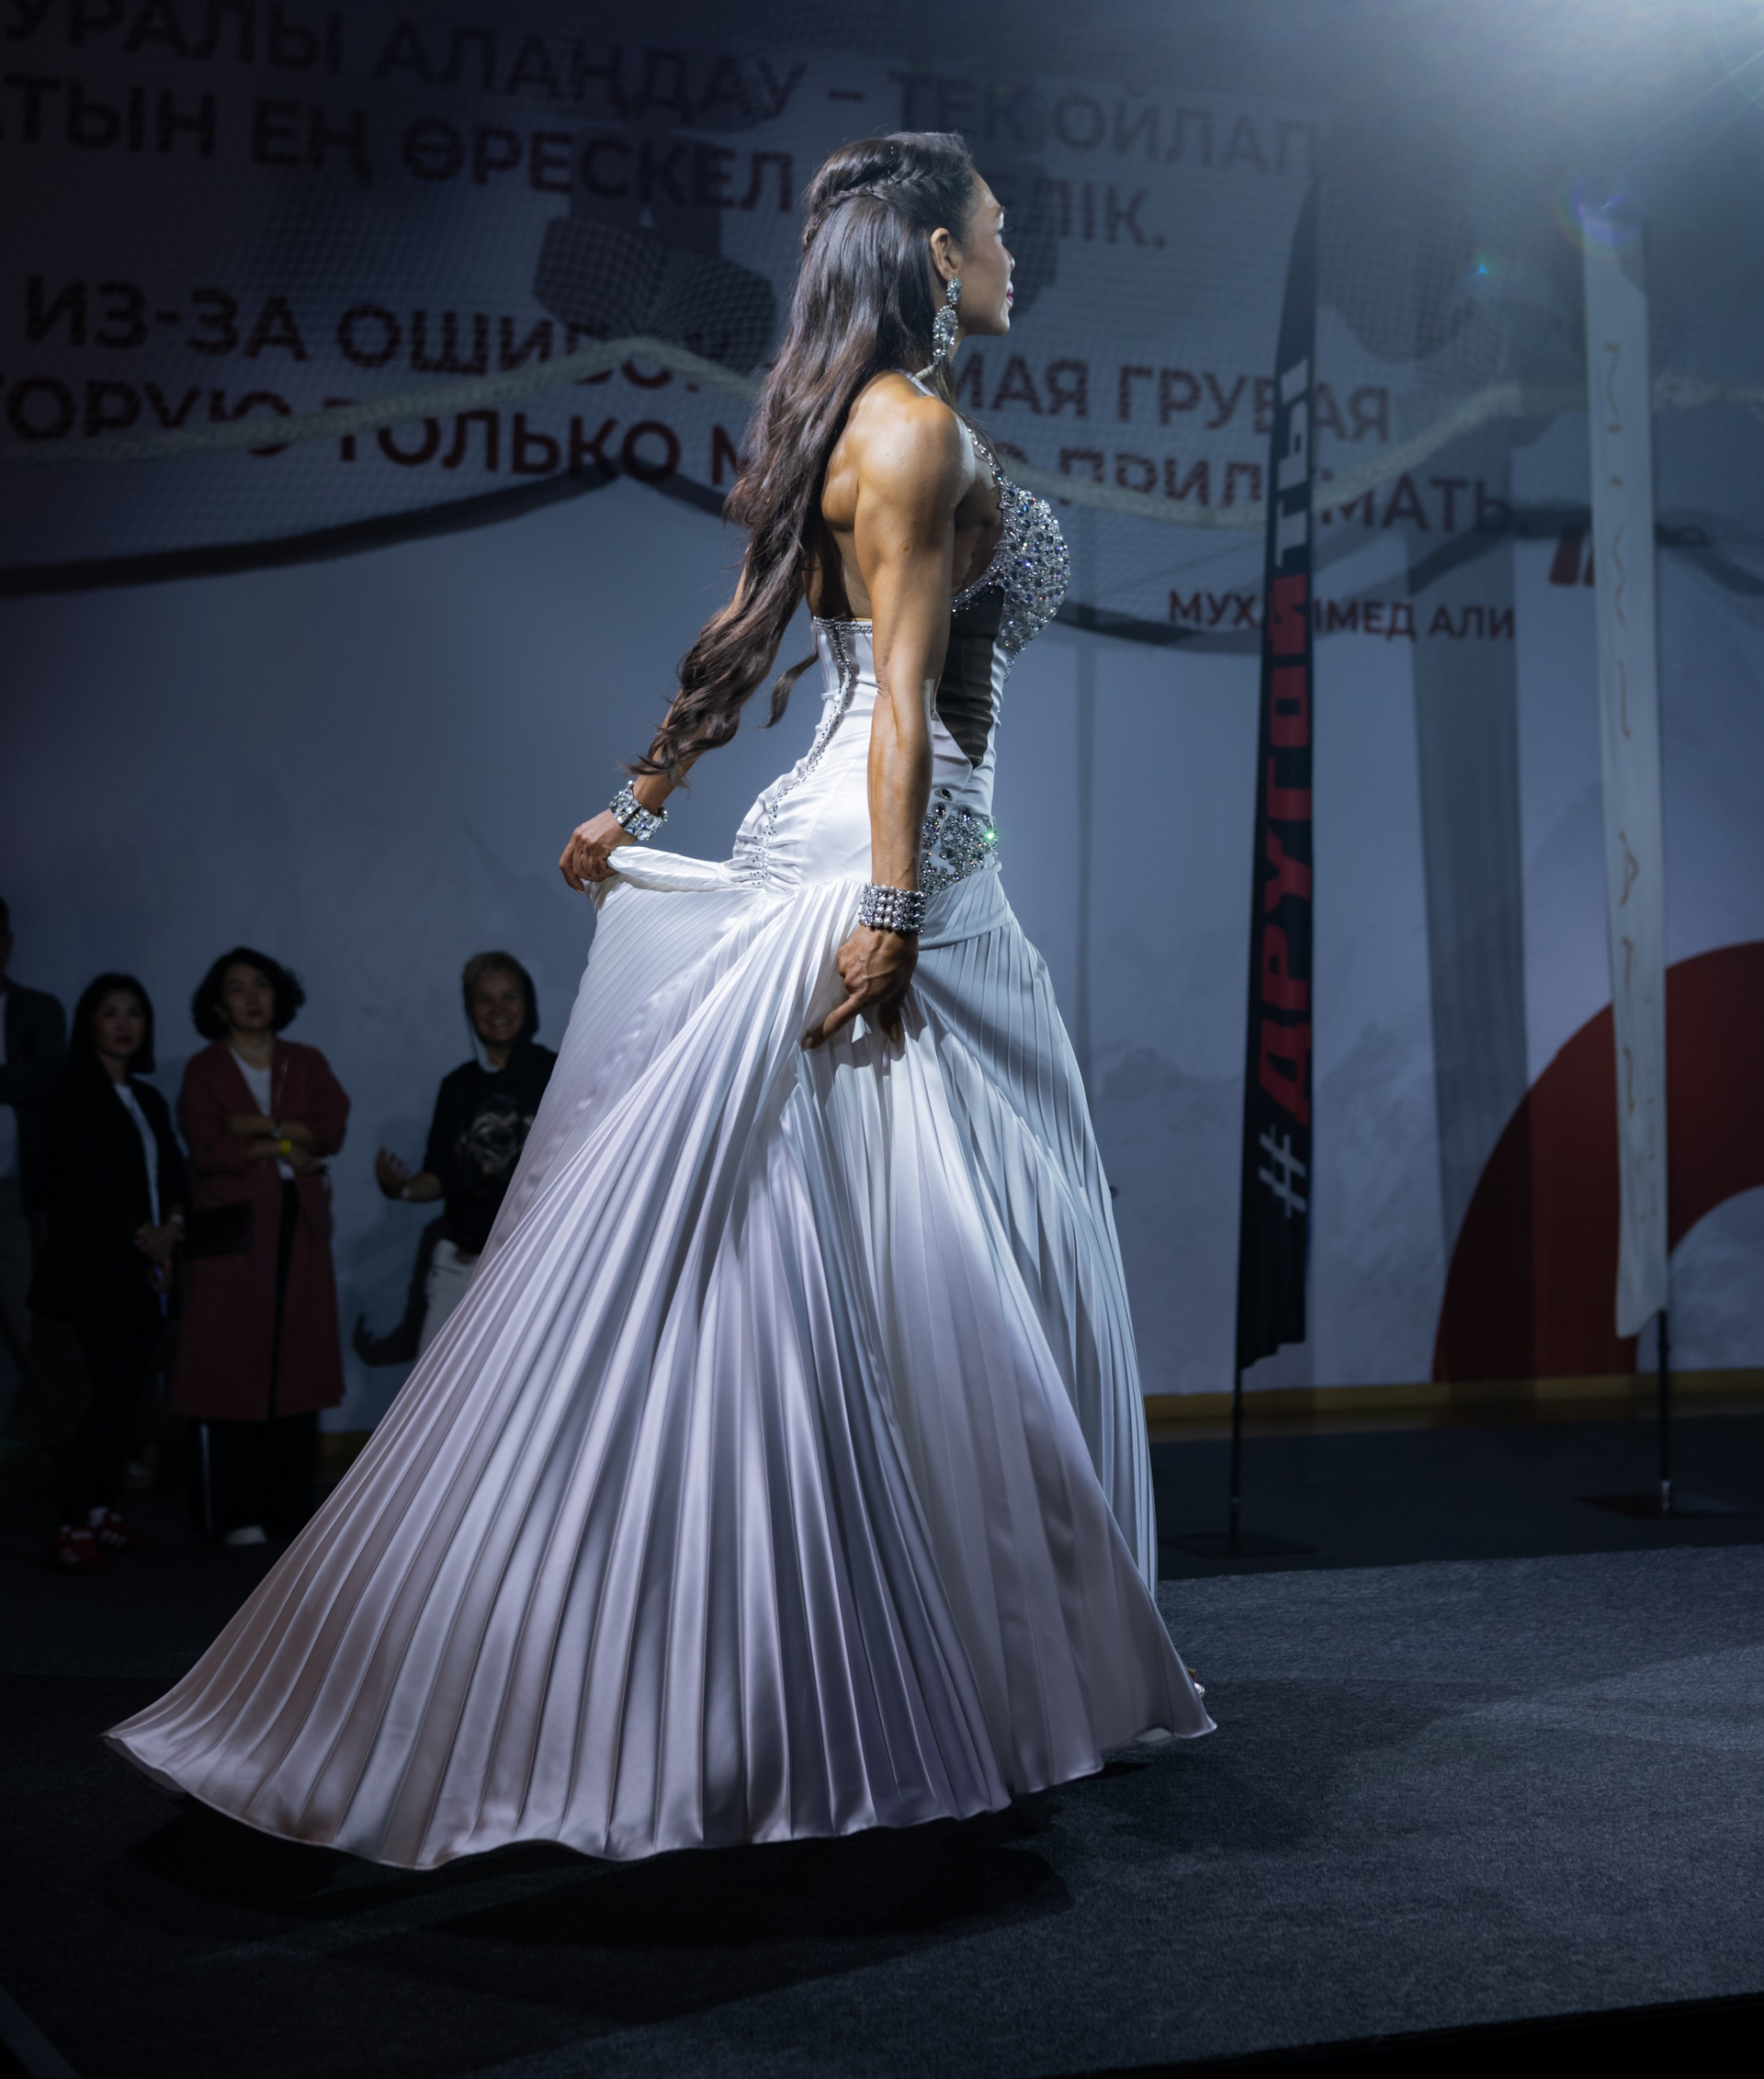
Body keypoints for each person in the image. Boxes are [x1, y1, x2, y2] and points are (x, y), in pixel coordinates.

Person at [109, 132, 1210, 1864]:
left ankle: (971, 1669)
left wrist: (640, 794)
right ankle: (835, 1678)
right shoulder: (912, 430)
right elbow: (897, 697)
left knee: (926, 1265)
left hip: (908, 858)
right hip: (901, 866)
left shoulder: (868, 421)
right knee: (908, 1268)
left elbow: (759, 618)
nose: (1017, 256)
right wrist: (891, 915)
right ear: (938, 255)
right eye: (1000, 232)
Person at [172, 949, 349, 1547]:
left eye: (262, 985)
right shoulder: (205, 1069)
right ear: (219, 1004)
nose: (252, 997)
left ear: (279, 994)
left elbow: (330, 1129)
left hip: (299, 1226)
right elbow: (208, 1148)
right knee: (232, 1366)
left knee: (297, 1365)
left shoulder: (306, 1061)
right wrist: (284, 1143)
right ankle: (237, 1511)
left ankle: (290, 1511)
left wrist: (256, 1130)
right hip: (234, 1234)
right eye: (237, 988)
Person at [29, 976, 187, 1574]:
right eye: (110, 1012)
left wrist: (171, 1229)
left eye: (135, 1013)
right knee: (101, 1398)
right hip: (95, 1266)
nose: (124, 1024)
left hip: (146, 1265)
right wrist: (141, 1233)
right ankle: (72, 1522)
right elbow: (78, 1178)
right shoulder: (72, 1090)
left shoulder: (147, 1097)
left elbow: (171, 1172)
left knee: (127, 1396)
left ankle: (101, 1513)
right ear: (89, 1023)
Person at [374, 953, 557, 1354]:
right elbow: (439, 1175)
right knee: (437, 1387)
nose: (497, 1010)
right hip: (461, 1262)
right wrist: (402, 1189)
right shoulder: (457, 1087)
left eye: (509, 996)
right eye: (484, 999)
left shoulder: (558, 1074)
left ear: (528, 1004)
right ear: (469, 1009)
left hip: (537, 1263)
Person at [0, 898, 67, 1427]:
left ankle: (79, 1444)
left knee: (33, 1321)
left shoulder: (35, 1009)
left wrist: (21, 1079)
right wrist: (13, 1077)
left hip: (13, 1187)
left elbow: (43, 1081)